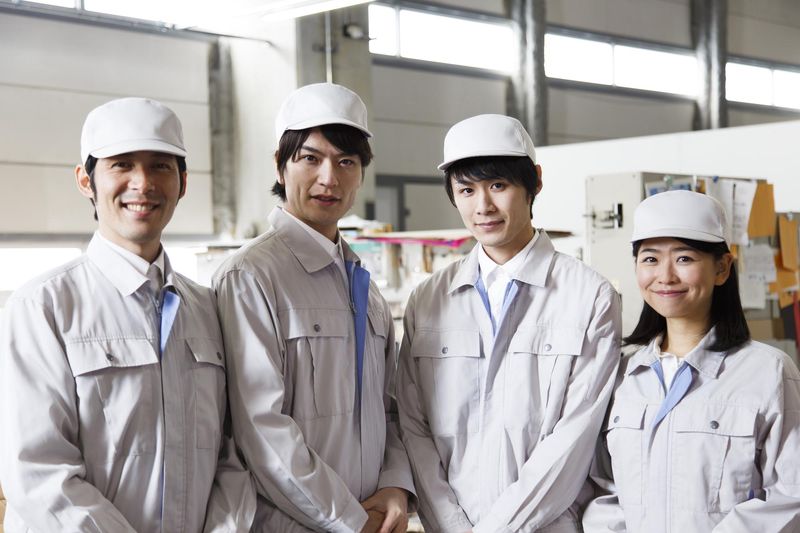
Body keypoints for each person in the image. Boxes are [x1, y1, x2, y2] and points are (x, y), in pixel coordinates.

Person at [0, 97, 255, 532]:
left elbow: (234, 455)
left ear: (183, 182)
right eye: (122, 165)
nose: (143, 183)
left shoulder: (208, 308)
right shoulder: (43, 308)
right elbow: (39, 473)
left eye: (160, 166)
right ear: (86, 180)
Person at [397, 113, 622, 532]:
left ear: (535, 182)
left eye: (498, 185)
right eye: (467, 190)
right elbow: (413, 427)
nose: (482, 206)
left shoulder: (589, 296)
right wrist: (452, 525)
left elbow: (575, 437)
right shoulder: (428, 300)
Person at [213, 82, 415, 533]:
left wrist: (395, 488)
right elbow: (261, 430)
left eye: (346, 162)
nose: (329, 178)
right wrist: (350, 520)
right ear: (280, 166)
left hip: (374, 519)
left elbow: (390, 410)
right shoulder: (251, 277)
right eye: (310, 158)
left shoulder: (364, 285)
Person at [582, 189, 800, 532]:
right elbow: (602, 488)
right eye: (650, 259)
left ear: (722, 268)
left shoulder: (768, 372)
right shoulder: (622, 375)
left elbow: (790, 495)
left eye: (684, 259)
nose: (665, 276)